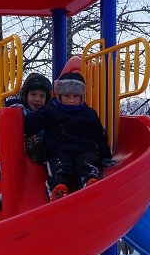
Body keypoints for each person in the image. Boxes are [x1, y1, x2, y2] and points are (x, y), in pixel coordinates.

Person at [22, 71, 116, 200]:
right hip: (58, 149)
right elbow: (31, 125)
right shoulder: (50, 110)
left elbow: (99, 136)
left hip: (84, 149)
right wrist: (18, 111)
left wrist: (105, 156)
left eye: (75, 96)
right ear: (60, 95)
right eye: (67, 96)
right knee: (60, 165)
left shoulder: (89, 113)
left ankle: (89, 183)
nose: (71, 100)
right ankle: (58, 188)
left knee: (88, 162)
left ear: (82, 97)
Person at [4, 72, 53, 163]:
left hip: (45, 149)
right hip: (21, 155)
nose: (37, 99)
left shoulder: (48, 112)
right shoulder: (21, 109)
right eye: (33, 94)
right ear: (25, 95)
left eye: (42, 96)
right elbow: (9, 108)